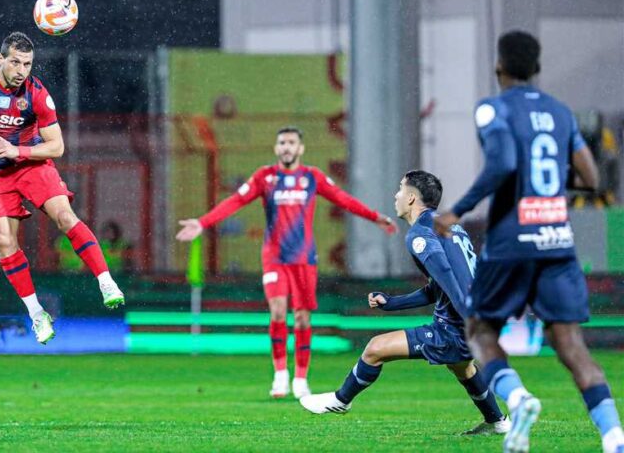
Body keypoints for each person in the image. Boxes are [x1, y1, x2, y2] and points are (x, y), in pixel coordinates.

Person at [434, 30, 624, 453]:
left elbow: (501, 162)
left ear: (498, 66)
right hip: (556, 241)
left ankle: (518, 401)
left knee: (480, 330)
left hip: (511, 242)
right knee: (571, 345)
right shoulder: (561, 112)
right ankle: (614, 437)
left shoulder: (492, 109)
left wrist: (457, 210)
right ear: (536, 69)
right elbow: (593, 180)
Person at [0, 32, 125, 345]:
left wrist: (18, 151)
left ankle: (105, 281)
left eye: (28, 64)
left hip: (31, 163)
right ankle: (36, 314)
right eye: (16, 62)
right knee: (4, 240)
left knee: (64, 216)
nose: (22, 70)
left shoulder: (37, 94)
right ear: (0, 60)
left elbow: (56, 146)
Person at [175, 126, 397, 399]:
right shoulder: (265, 177)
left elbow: (343, 199)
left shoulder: (311, 177)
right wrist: (203, 222)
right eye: (282, 143)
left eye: (292, 143)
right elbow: (236, 201)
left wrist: (375, 217)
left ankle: (301, 377)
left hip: (304, 258)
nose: (287, 147)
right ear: (276, 148)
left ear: (301, 148)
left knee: (303, 318)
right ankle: (280, 374)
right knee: (278, 311)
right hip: (274, 257)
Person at [300, 170, 510, 435]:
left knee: (375, 349)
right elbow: (439, 287)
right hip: (473, 318)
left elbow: (446, 277)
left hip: (457, 328)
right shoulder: (450, 226)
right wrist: (392, 303)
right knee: (462, 367)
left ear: (412, 198)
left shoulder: (419, 234)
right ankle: (497, 421)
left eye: (400, 189)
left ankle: (340, 400)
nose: (396, 195)